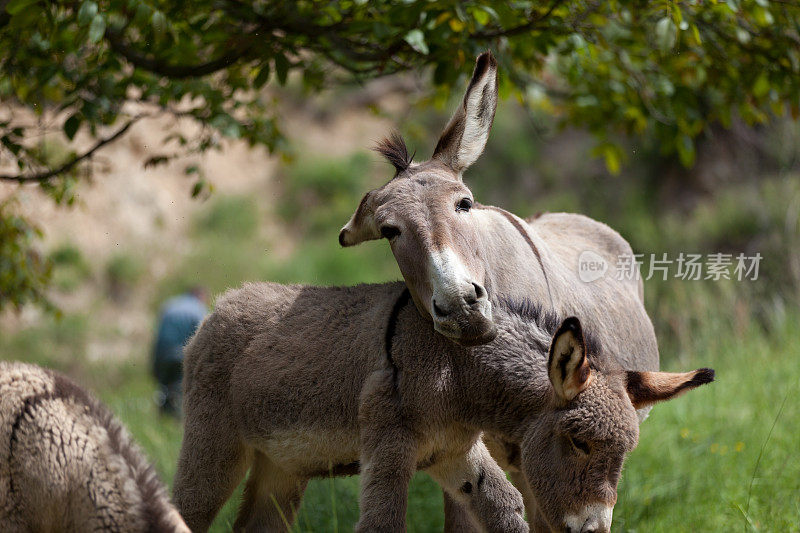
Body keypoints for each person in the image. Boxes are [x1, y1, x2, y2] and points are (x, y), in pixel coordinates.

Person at [151, 286, 208, 417]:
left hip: (162, 353)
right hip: (181, 355)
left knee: (164, 389)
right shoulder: (199, 310)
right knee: (180, 391)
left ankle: (162, 420)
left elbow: (157, 334)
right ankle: (176, 421)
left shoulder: (169, 305)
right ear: (201, 297)